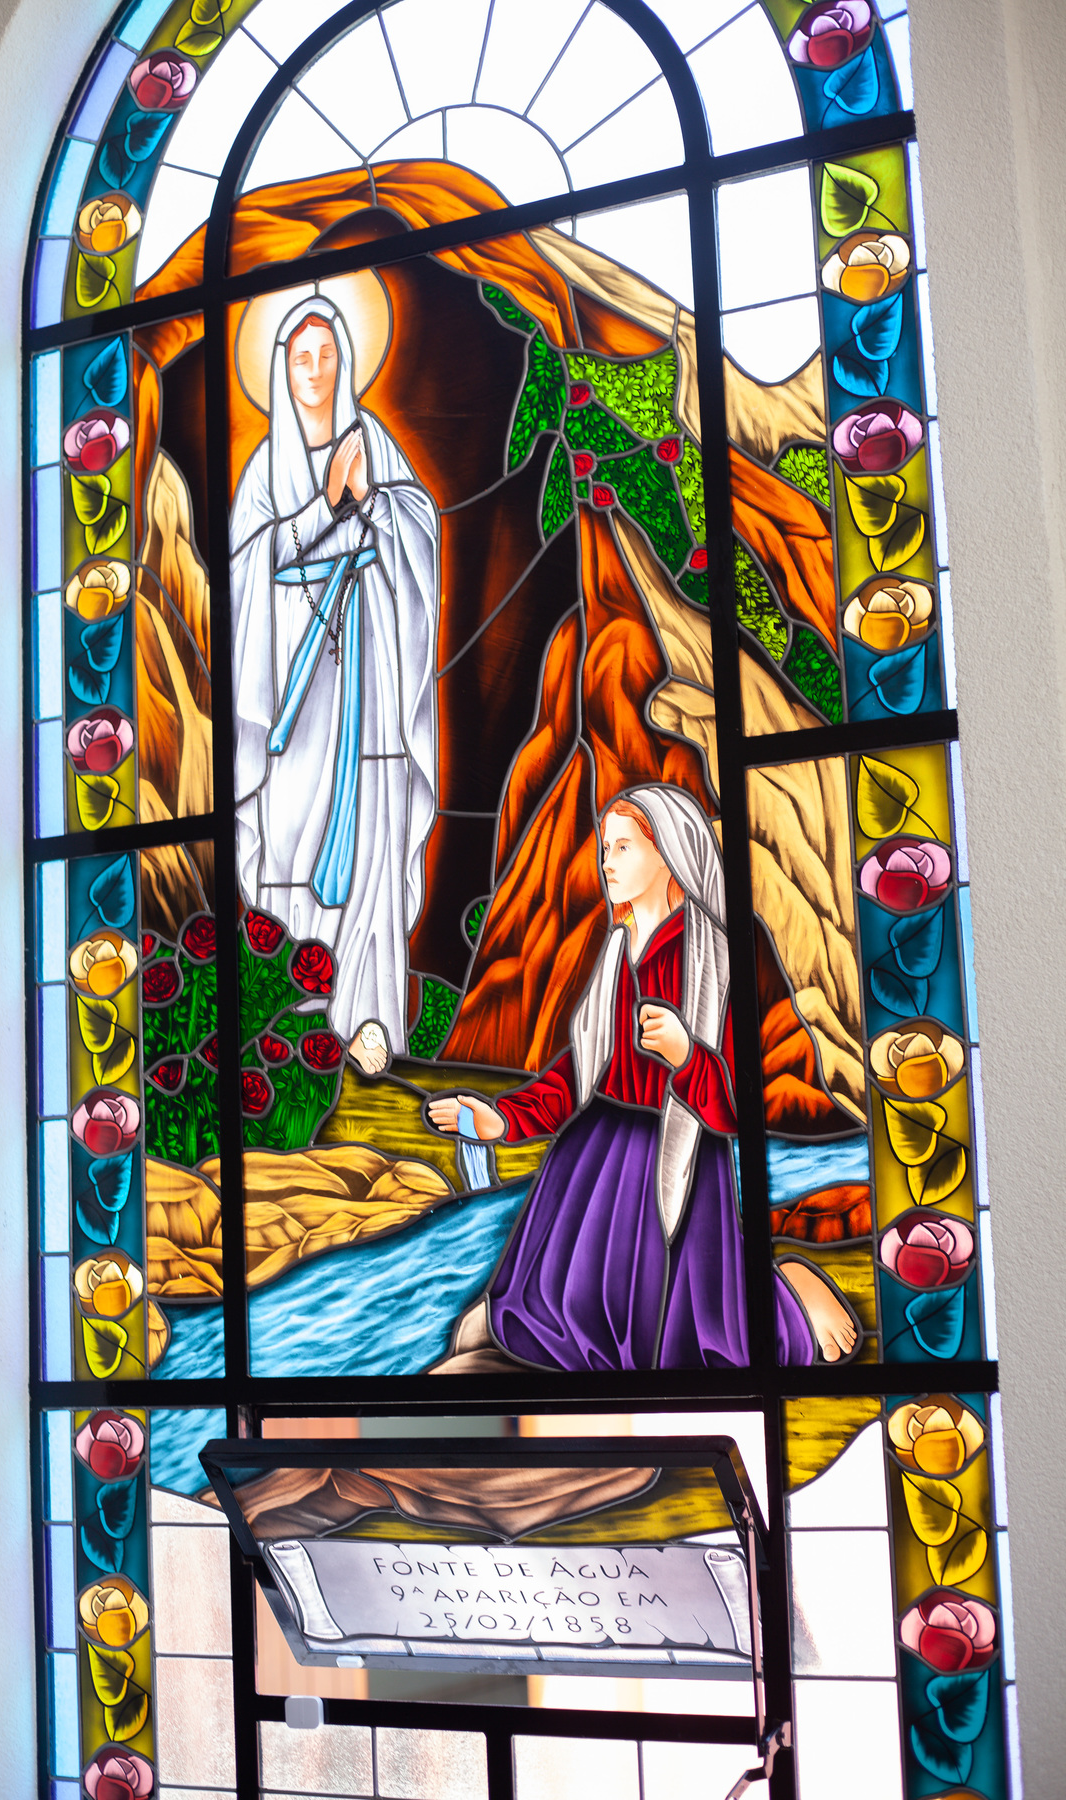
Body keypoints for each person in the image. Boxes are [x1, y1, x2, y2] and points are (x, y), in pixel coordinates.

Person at [429, 785, 859, 1372]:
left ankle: (793, 1294)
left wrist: (687, 1056)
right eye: (605, 848)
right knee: (548, 1323)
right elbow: (580, 1071)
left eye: (623, 847)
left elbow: (737, 1108)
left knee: (689, 1348)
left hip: (680, 1154)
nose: (606, 861)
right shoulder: (616, 951)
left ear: (667, 855)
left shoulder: (715, 958)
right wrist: (501, 1118)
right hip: (594, 1157)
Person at [230, 296, 439, 1070]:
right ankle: (294, 1031)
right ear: (281, 370)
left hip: (369, 681)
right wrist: (325, 508)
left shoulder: (373, 443)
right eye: (300, 358)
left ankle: (369, 1018)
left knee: (373, 836)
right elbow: (245, 572)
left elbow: (419, 526)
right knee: (290, 839)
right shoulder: (265, 469)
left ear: (345, 362)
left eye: (326, 355)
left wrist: (375, 506)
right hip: (289, 694)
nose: (314, 371)